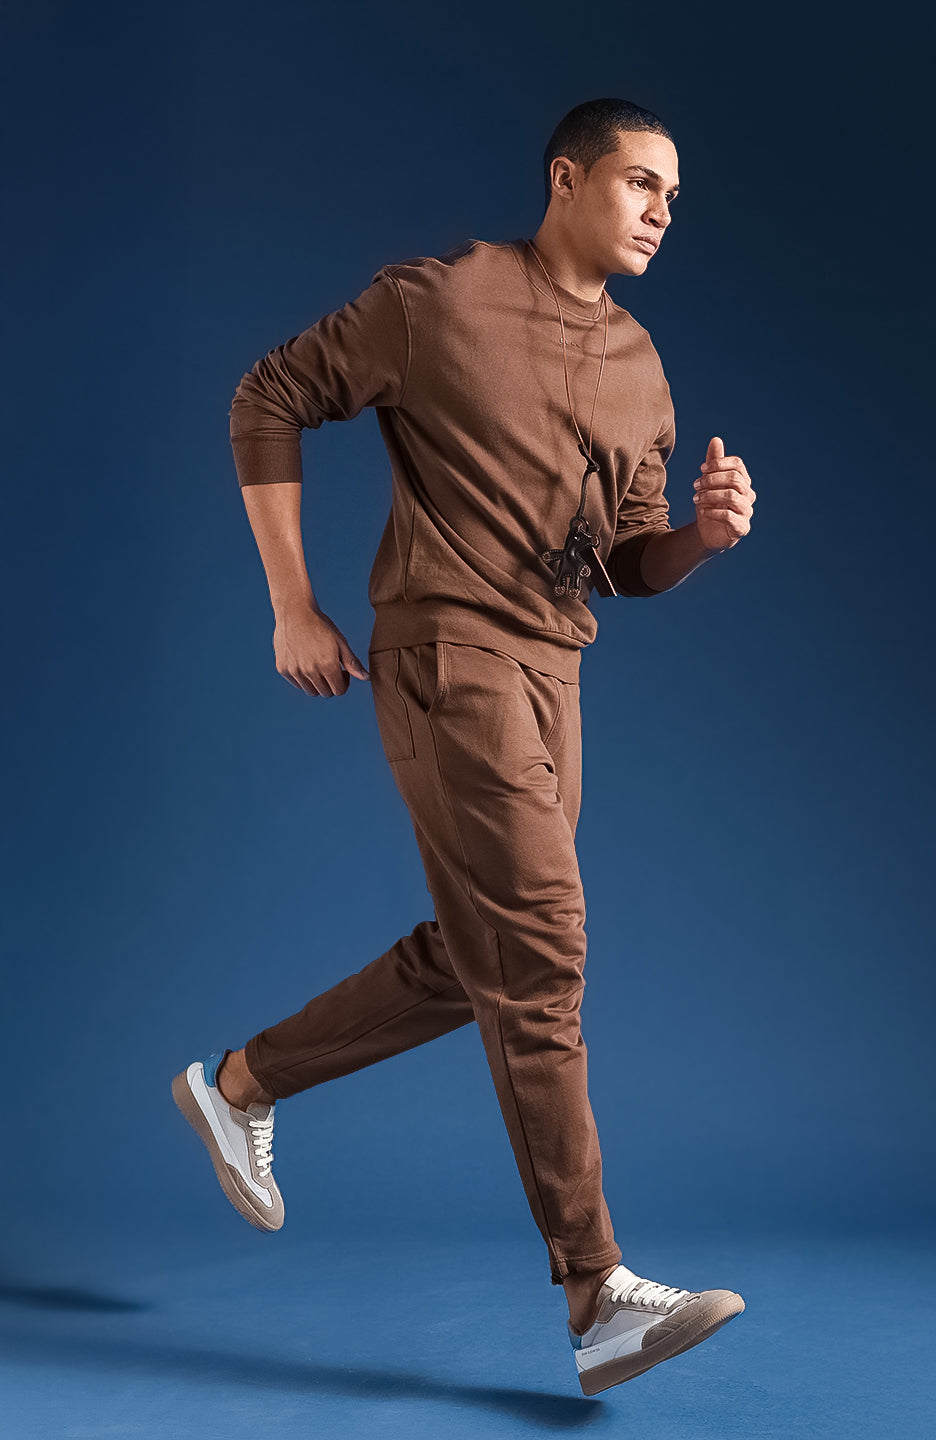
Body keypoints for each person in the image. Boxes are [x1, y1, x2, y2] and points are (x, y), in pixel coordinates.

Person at [172, 96, 756, 1396]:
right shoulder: (436, 301)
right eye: (642, 183)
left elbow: (623, 565)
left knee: (481, 952)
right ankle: (598, 1294)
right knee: (542, 944)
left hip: (556, 675)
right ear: (567, 178)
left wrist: (701, 540)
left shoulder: (641, 365)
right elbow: (267, 396)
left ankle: (241, 1084)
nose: (663, 211)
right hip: (448, 656)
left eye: (675, 196)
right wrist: (292, 604)